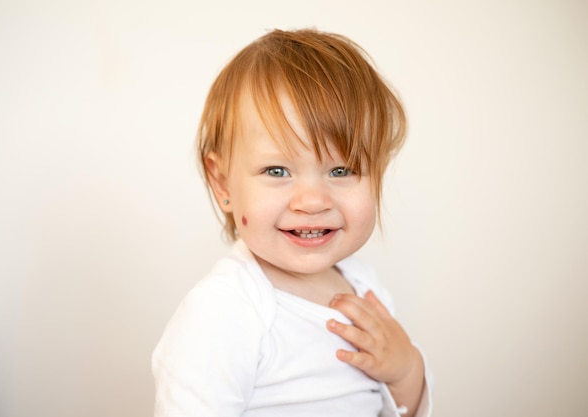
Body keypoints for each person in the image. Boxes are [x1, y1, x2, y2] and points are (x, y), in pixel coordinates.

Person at [152, 28, 432, 417]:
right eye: (278, 170)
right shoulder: (225, 310)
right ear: (222, 182)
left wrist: (407, 371)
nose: (313, 201)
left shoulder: (366, 290)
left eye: (342, 169)